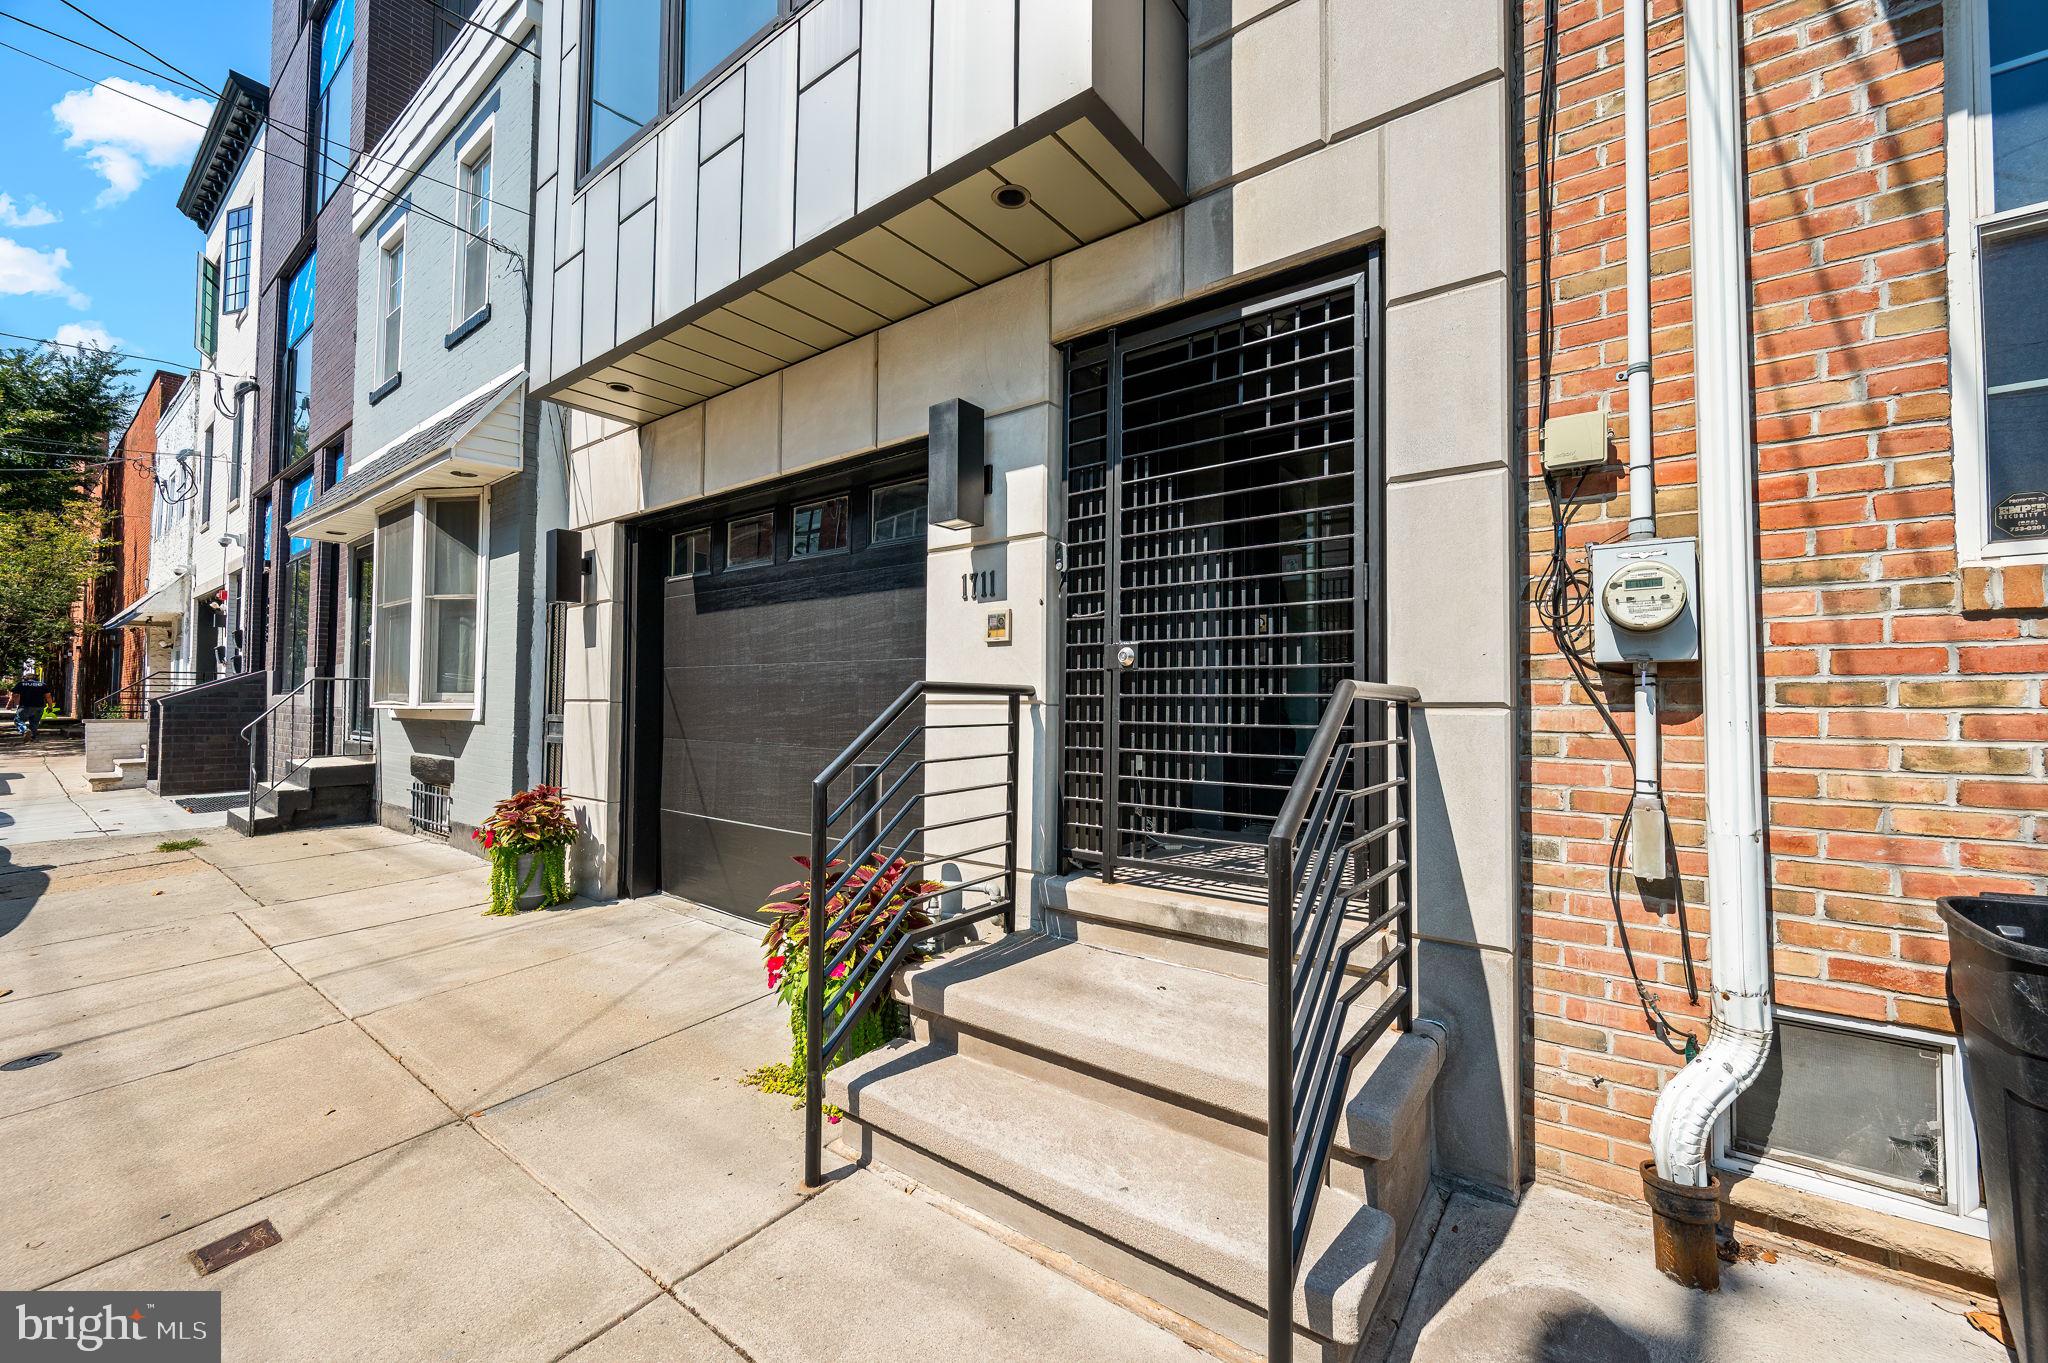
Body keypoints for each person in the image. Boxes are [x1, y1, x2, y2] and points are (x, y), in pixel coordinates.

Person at [12, 672, 50, 738]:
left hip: (25, 706)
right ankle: (32, 736)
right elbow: (48, 696)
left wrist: (15, 703)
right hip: (39, 707)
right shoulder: (43, 685)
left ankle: (25, 730)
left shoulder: (21, 684)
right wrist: (50, 706)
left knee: (18, 720)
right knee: (35, 722)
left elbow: (15, 695)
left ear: (25, 678)